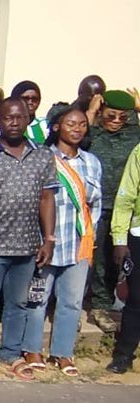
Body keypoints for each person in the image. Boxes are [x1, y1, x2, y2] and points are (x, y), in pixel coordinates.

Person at [0, 98, 59, 381]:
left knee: (19, 304)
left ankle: (10, 355)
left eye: (20, 117)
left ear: (28, 119)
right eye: (8, 118)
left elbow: (47, 199)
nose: (14, 122)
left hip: (28, 246)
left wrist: (49, 239)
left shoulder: (42, 156)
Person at [19, 106, 101, 377]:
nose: (77, 129)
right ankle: (31, 348)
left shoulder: (92, 162)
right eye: (70, 124)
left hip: (78, 241)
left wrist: (90, 235)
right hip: (47, 241)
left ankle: (63, 352)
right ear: (56, 127)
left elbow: (94, 204)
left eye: (81, 125)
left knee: (71, 301)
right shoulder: (42, 158)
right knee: (37, 298)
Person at [84, 90, 140, 333]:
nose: (116, 121)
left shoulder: (134, 136)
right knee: (91, 260)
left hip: (123, 211)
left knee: (112, 260)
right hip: (96, 206)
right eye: (110, 116)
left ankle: (101, 305)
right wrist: (91, 112)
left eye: (122, 117)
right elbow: (77, 134)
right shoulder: (93, 134)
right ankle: (85, 304)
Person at [109, 96, 140, 373]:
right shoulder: (139, 153)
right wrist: (120, 240)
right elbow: (126, 198)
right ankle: (123, 356)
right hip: (139, 236)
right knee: (136, 300)